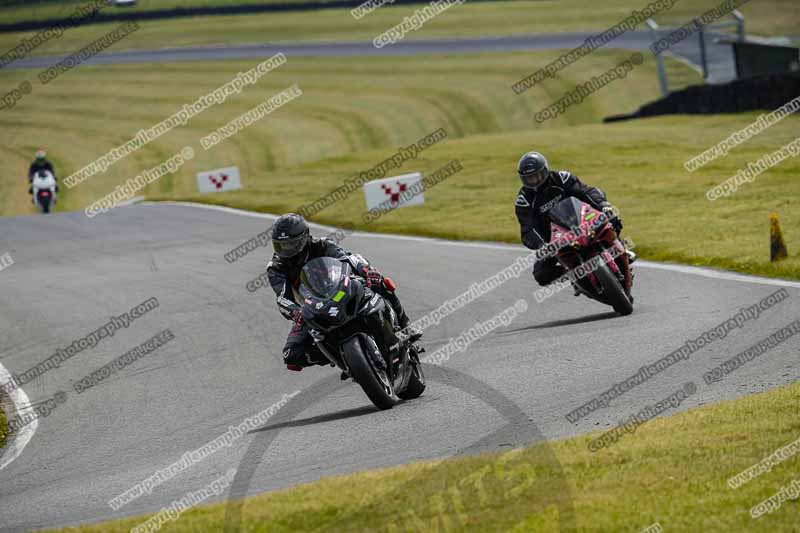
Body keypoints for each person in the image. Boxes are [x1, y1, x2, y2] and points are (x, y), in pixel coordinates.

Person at [267, 213, 421, 372]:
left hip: (341, 288)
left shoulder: (322, 245)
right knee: (291, 355)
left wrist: (367, 271)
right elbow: (282, 298)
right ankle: (343, 358)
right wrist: (295, 312)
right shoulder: (276, 267)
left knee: (381, 282)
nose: (287, 251)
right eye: (281, 246)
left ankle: (405, 325)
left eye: (292, 244)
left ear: (305, 237)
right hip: (310, 308)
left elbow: (348, 259)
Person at [514, 151, 635, 288]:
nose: (534, 181)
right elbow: (527, 230)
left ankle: (619, 247)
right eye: (529, 178)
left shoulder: (562, 178)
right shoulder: (524, 200)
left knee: (613, 218)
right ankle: (572, 274)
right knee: (541, 274)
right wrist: (543, 246)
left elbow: (587, 192)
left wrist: (603, 205)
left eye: (537, 176)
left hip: (582, 221)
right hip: (555, 241)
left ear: (545, 170)